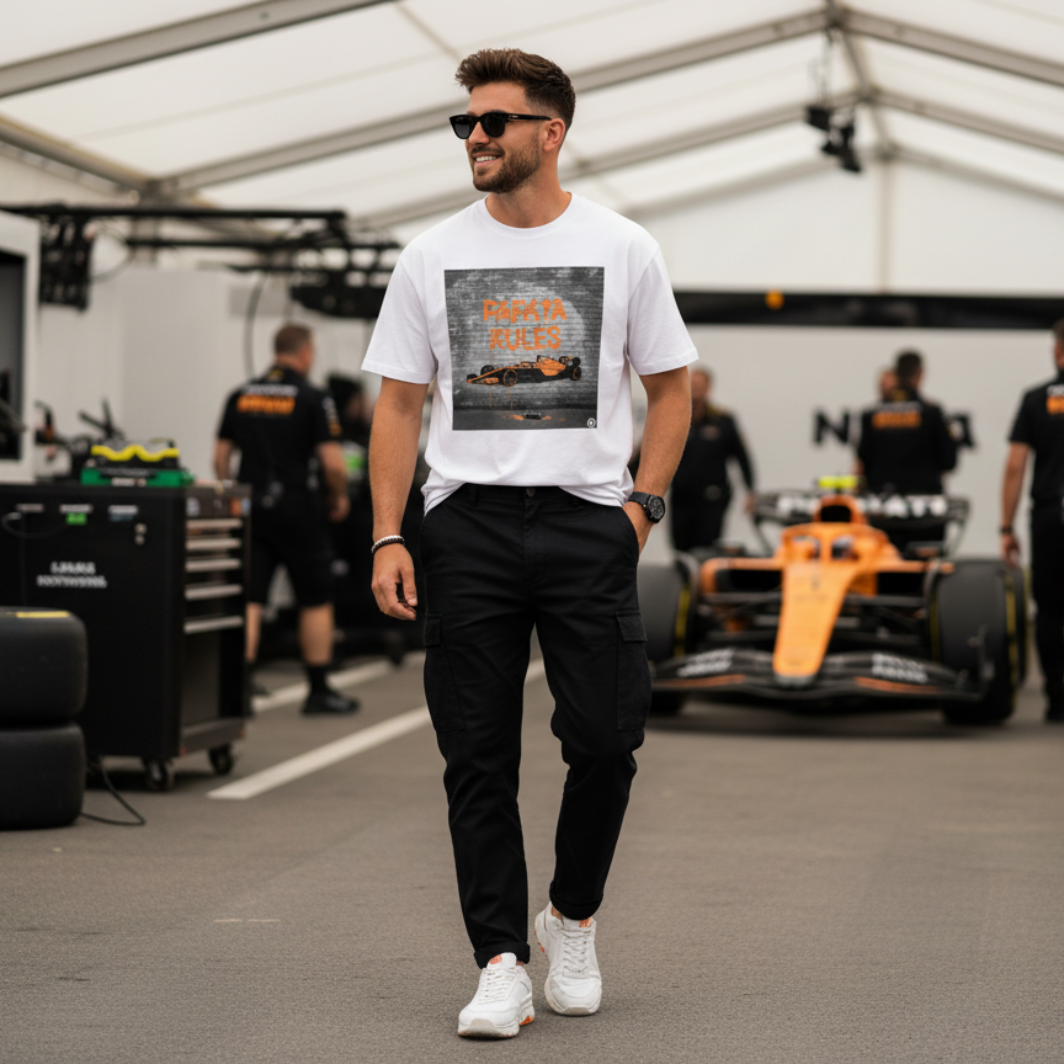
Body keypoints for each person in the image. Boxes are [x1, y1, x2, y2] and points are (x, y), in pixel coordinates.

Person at [363, 49, 694, 1040]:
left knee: (604, 740)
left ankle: (573, 915)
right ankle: (500, 958)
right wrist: (388, 530)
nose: (475, 137)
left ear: (549, 133)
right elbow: (397, 404)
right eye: (465, 123)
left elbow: (671, 388)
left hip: (585, 521)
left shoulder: (621, 245)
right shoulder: (428, 255)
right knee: (475, 752)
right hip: (462, 523)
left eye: (494, 122)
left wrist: (638, 509)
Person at [214, 323, 359, 715]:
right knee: (315, 598)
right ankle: (318, 689)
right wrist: (339, 495)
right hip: (299, 510)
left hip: (251, 508)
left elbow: (220, 456)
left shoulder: (240, 395)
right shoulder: (314, 397)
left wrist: (230, 491)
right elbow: (332, 461)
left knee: (251, 598)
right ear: (305, 352)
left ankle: (239, 692)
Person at [1001, 318, 1064, 722]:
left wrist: (1005, 528)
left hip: (1051, 514)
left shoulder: (1036, 398)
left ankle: (1057, 700)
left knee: (1051, 609)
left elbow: (1015, 465)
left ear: (1057, 351)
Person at [854, 350, 957, 549]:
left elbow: (862, 463)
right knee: (922, 573)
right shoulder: (932, 413)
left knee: (884, 572)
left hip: (882, 511)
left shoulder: (871, 415)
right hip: (925, 513)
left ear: (896, 373)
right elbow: (949, 461)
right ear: (920, 374)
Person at [670, 364, 755, 551]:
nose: (695, 390)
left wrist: (750, 491)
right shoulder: (675, 419)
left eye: (700, 385)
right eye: (692, 385)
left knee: (706, 549)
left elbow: (742, 457)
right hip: (681, 498)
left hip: (711, 499)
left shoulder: (723, 421)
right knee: (680, 549)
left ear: (709, 388)